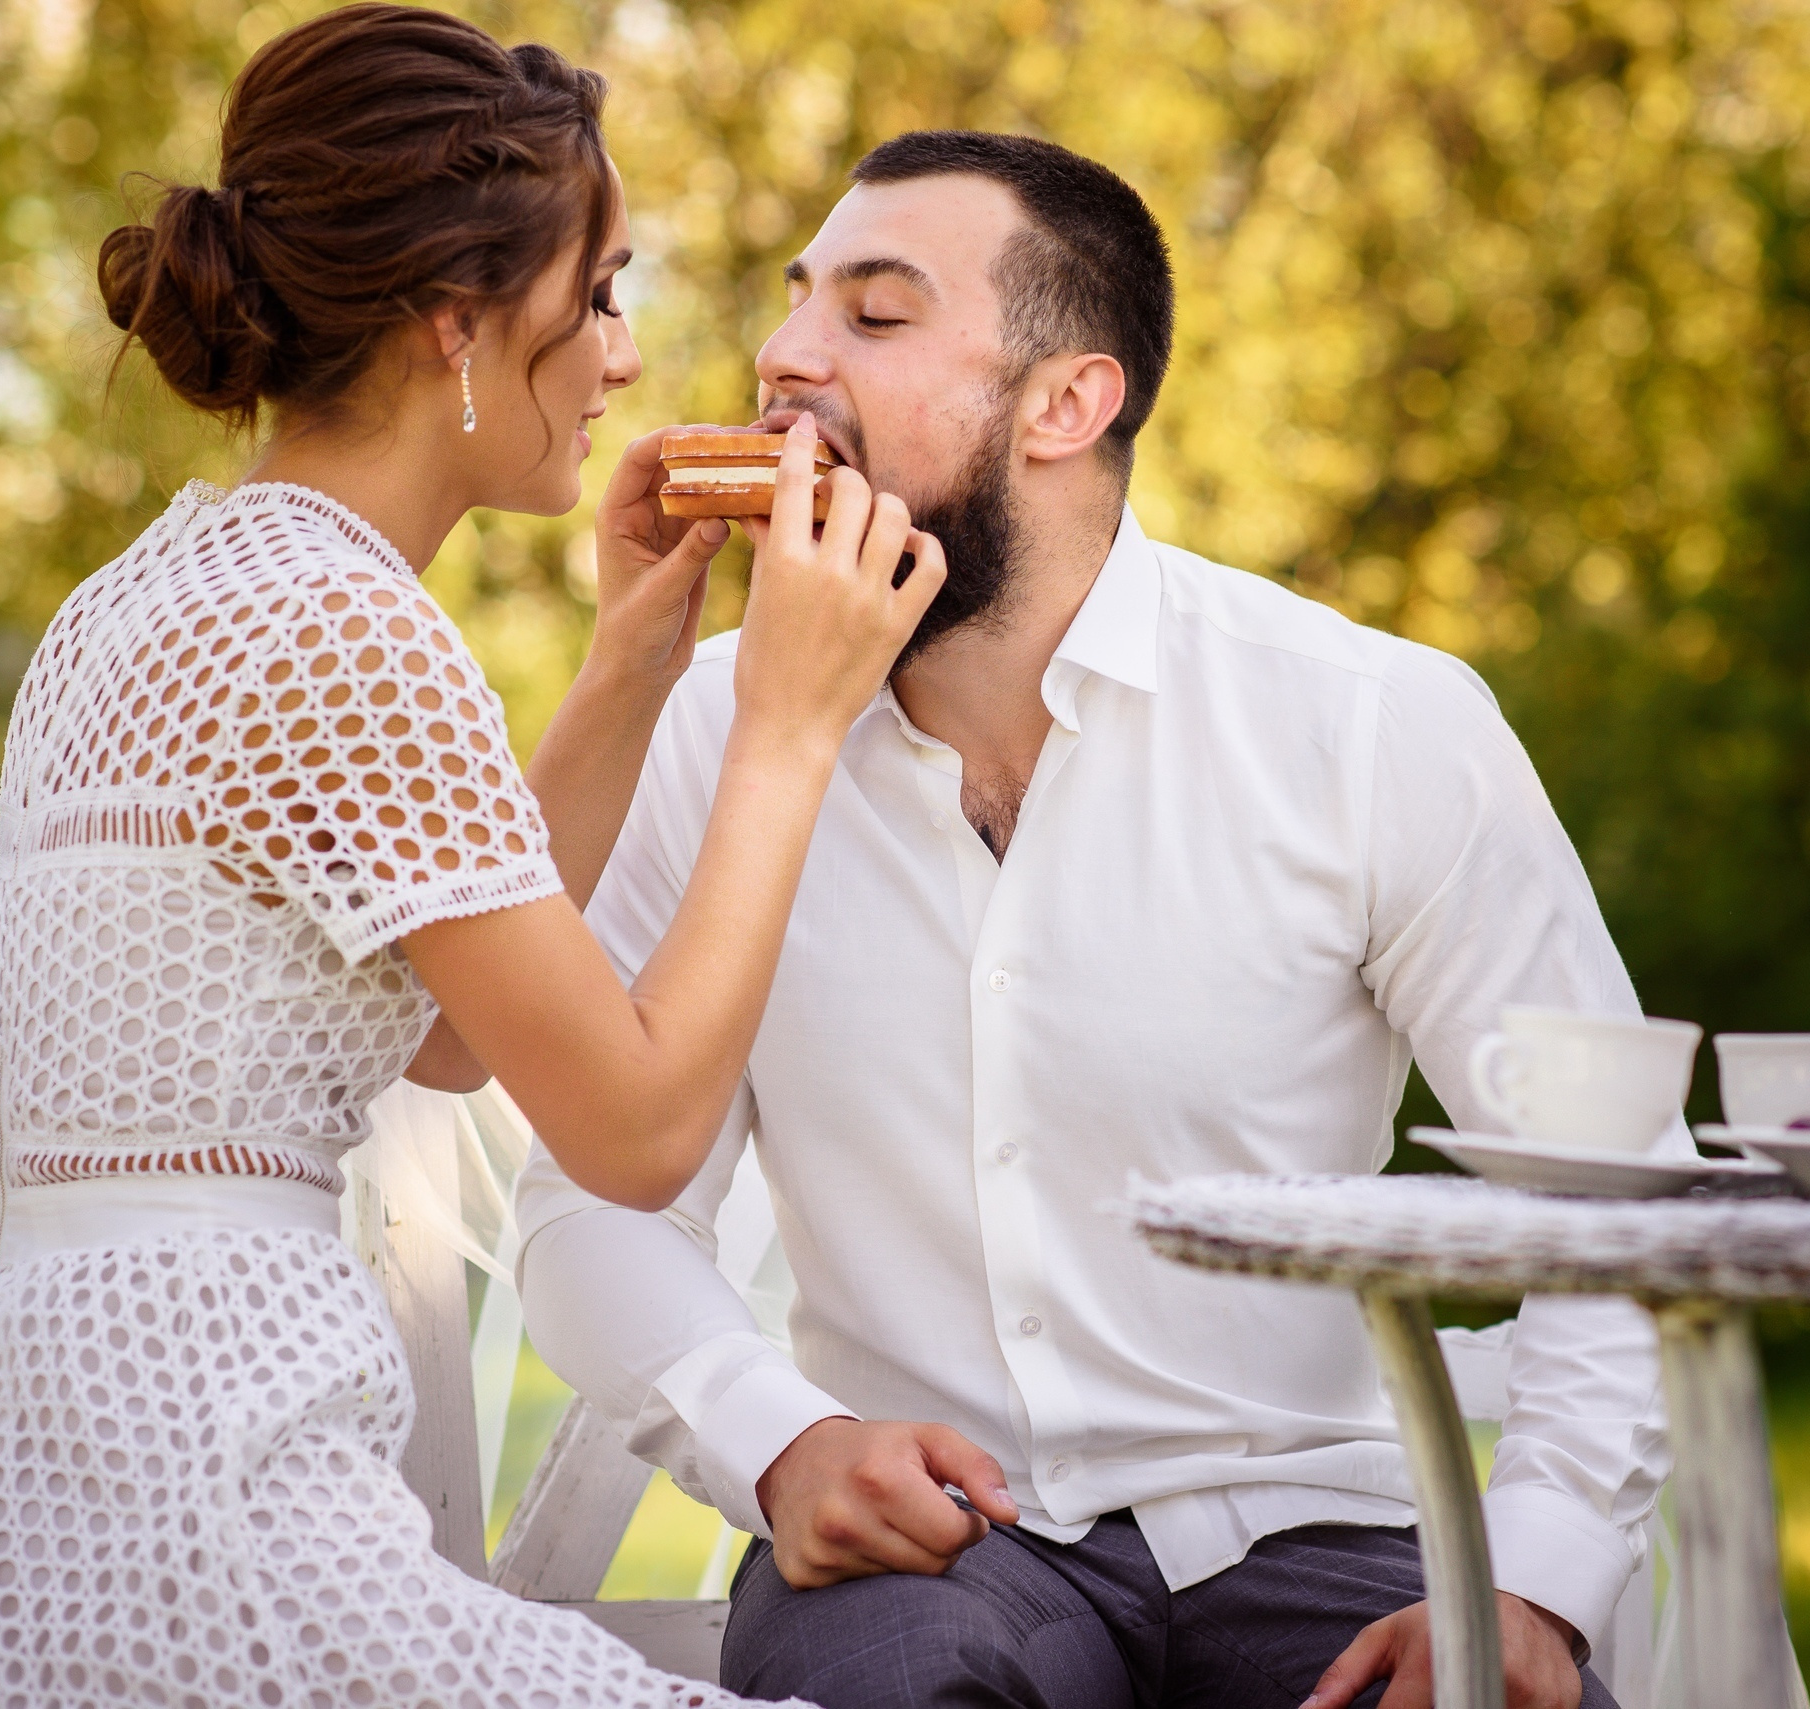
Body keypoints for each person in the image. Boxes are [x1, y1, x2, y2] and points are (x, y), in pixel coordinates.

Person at [514, 132, 1667, 1709]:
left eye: (876, 312)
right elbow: (596, 1202)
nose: (783, 358)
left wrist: (1532, 1581)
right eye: (798, 304)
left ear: (1067, 404)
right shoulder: (704, 731)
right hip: (933, 1546)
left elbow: (1607, 1192)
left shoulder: (1377, 724)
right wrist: (776, 1438)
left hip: (1323, 1526)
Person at [0, 9, 943, 1706]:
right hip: (219, 1522)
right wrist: (791, 722)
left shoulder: (149, 595)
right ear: (457, 320)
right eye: (598, 295)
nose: (623, 356)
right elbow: (640, 1125)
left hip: (43, 1521)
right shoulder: (350, 629)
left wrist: (630, 669)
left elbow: (440, 1037)